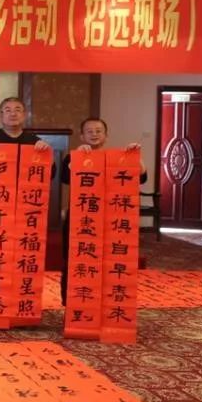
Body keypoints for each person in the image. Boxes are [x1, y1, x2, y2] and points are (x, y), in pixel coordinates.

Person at [59, 117, 147, 304]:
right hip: (81, 219)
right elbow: (65, 178)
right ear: (82, 136)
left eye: (98, 131)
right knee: (74, 260)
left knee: (107, 260)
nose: (94, 134)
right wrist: (79, 158)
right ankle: (72, 303)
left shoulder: (116, 158)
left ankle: (104, 302)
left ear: (106, 136)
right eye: (89, 131)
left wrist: (134, 157)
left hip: (109, 219)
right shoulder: (73, 156)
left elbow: (141, 177)